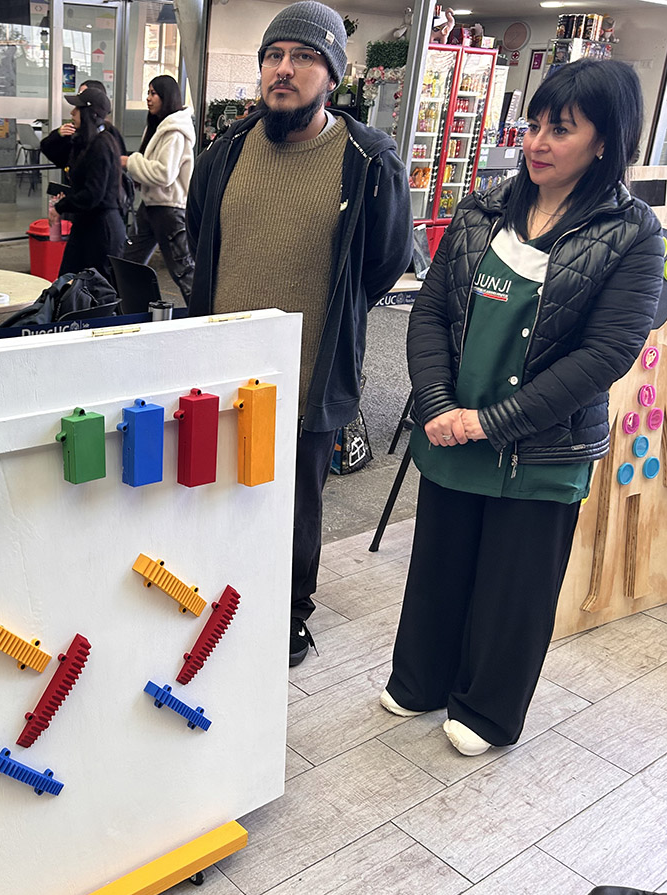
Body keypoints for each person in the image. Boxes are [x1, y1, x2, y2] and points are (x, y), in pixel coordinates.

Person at [382, 59, 664, 756]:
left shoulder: (633, 237)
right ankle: (420, 680)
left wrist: (490, 423)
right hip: (453, 429)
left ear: (604, 142)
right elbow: (431, 313)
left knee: (514, 587)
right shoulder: (483, 208)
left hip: (542, 448)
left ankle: (485, 711)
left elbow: (602, 357)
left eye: (559, 129)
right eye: (532, 125)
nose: (536, 141)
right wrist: (439, 402)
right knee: (439, 564)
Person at [187, 0, 413, 666]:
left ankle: (288, 614)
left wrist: (331, 313)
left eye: (304, 57)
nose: (283, 70)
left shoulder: (367, 161)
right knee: (214, 490)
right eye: (273, 56)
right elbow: (204, 234)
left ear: (333, 75)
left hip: (308, 371)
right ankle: (211, 598)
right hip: (220, 366)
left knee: (293, 504)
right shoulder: (224, 153)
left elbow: (384, 260)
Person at [38, 87, 126, 282]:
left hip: (101, 230)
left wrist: (61, 207)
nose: (71, 113)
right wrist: (58, 134)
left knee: (98, 291)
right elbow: (48, 149)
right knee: (67, 284)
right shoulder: (84, 144)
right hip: (85, 226)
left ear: (88, 113)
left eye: (76, 108)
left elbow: (92, 195)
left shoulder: (102, 145)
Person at [120, 75, 195, 303]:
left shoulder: (174, 131)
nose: (148, 99)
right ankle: (131, 311)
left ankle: (204, 316)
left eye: (153, 93)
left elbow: (164, 173)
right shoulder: (158, 126)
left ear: (166, 96)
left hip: (169, 210)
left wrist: (129, 162)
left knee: (183, 271)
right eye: (148, 93)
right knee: (129, 263)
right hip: (152, 206)